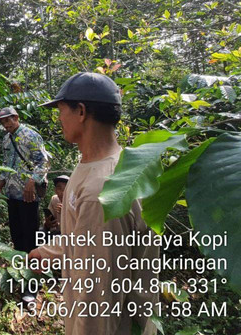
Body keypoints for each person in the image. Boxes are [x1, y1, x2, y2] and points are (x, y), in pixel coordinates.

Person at [29, 72, 158, 335]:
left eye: (61, 110)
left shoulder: (101, 190)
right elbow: (86, 238)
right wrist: (48, 253)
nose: (58, 119)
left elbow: (99, 297)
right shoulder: (104, 164)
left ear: (81, 111)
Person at [0, 106, 49, 301]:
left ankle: (32, 284)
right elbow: (6, 162)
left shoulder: (31, 135)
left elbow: (43, 162)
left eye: (8, 120)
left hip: (28, 195)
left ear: (16, 118)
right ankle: (19, 274)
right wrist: (1, 181)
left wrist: (32, 181)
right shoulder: (6, 139)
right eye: (3, 122)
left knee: (30, 238)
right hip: (12, 194)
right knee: (17, 236)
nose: (6, 124)